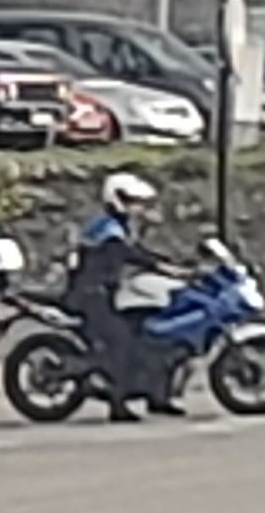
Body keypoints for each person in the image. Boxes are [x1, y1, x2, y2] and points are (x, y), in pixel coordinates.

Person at [65, 170, 184, 422]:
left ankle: (158, 397)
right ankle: (117, 405)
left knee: (150, 336)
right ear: (117, 198)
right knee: (123, 345)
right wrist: (161, 266)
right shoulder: (107, 229)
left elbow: (136, 251)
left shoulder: (116, 226)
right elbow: (128, 254)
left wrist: (166, 263)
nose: (137, 207)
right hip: (92, 296)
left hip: (107, 292)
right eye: (132, 201)